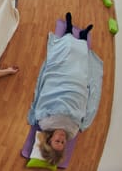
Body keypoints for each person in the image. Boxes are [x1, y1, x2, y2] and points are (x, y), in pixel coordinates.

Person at [27, 12, 103, 165]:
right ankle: (82, 37)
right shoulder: (73, 132)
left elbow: (43, 99)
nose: (62, 139)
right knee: (81, 59)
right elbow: (83, 112)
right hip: (78, 86)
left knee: (65, 52)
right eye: (62, 144)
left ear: (50, 138)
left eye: (57, 141)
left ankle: (68, 28)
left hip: (60, 81)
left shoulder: (45, 124)